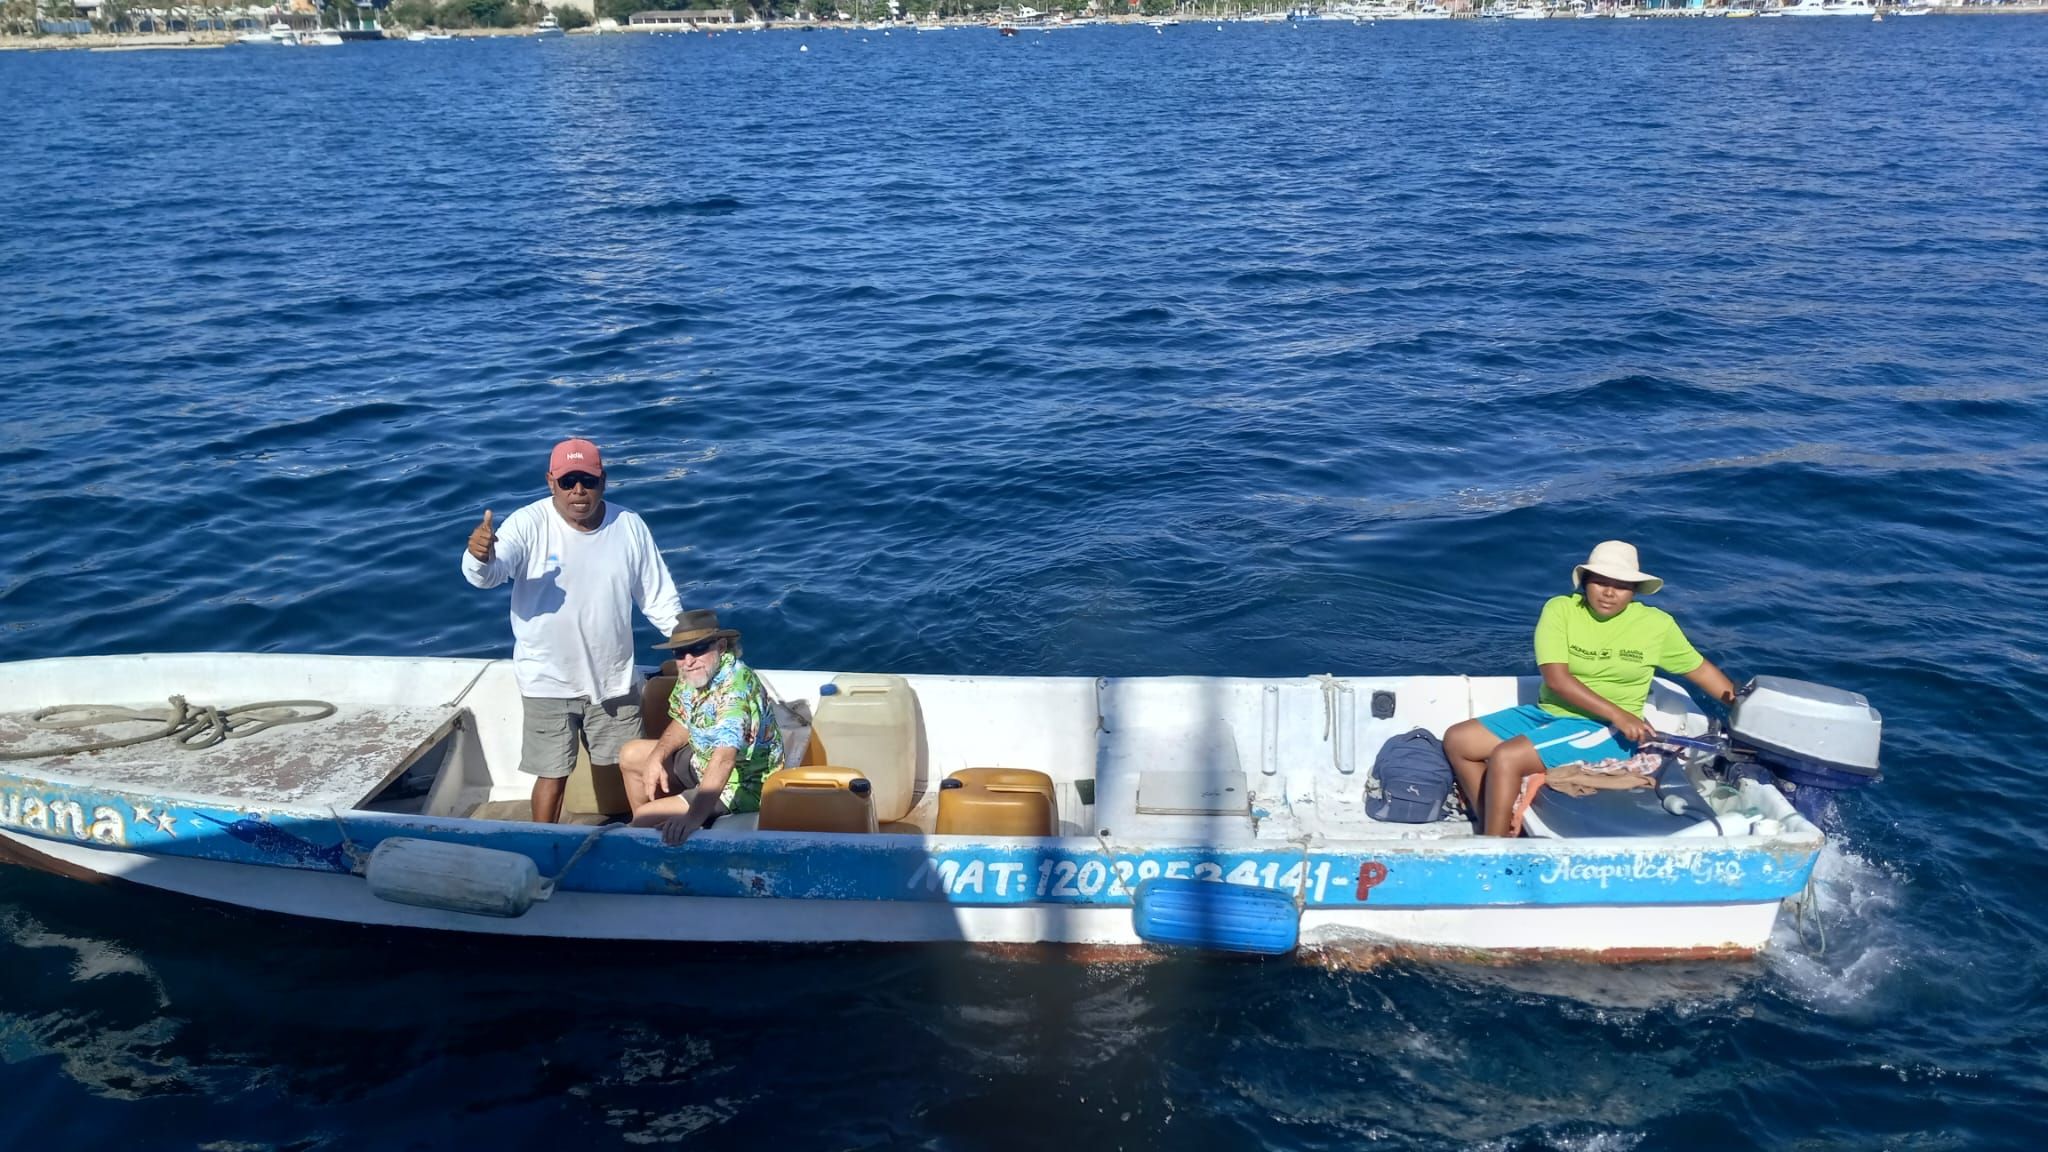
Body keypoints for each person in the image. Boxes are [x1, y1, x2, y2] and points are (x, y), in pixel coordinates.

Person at [1443, 540, 1738, 837]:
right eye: (1600, 582)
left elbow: (1700, 670)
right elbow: (1556, 679)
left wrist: (1740, 708)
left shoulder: (1657, 625)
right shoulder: (1560, 610)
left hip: (1606, 729)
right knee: (1459, 740)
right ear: (1585, 583)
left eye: (1621, 586)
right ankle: (1499, 826)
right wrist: (1619, 713)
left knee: (1507, 757)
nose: (1609, 592)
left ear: (1634, 591)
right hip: (1552, 713)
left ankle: (1493, 852)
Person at [462, 438, 682, 823]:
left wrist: (691, 647)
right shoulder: (528, 523)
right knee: (552, 774)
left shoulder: (628, 525)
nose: (578, 490)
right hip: (547, 680)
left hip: (612, 678)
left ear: (604, 481)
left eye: (588, 480)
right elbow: (490, 574)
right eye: (568, 481)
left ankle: (651, 837)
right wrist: (479, 557)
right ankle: (542, 843)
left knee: (632, 763)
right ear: (551, 482)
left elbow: (658, 597)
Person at [620, 610, 786, 845]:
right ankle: (654, 833)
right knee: (631, 755)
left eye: (698, 649)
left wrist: (692, 818)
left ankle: (654, 832)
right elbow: (683, 720)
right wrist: (658, 755)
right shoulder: (691, 672)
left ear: (720, 646)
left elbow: (724, 759)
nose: (688, 660)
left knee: (643, 819)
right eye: (680, 652)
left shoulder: (735, 687)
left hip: (744, 783)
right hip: (702, 759)